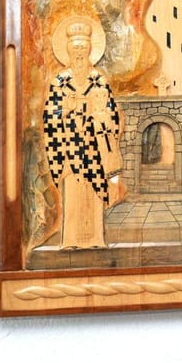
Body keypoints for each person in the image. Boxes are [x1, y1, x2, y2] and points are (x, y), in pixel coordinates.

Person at [42, 18, 123, 248]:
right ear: (68, 49)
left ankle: (96, 239)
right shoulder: (60, 81)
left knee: (95, 191)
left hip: (94, 145)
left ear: (89, 49)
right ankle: (71, 240)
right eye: (75, 47)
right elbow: (51, 114)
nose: (79, 52)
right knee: (73, 192)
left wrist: (100, 116)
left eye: (83, 47)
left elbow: (111, 112)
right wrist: (66, 110)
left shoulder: (99, 79)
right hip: (69, 146)